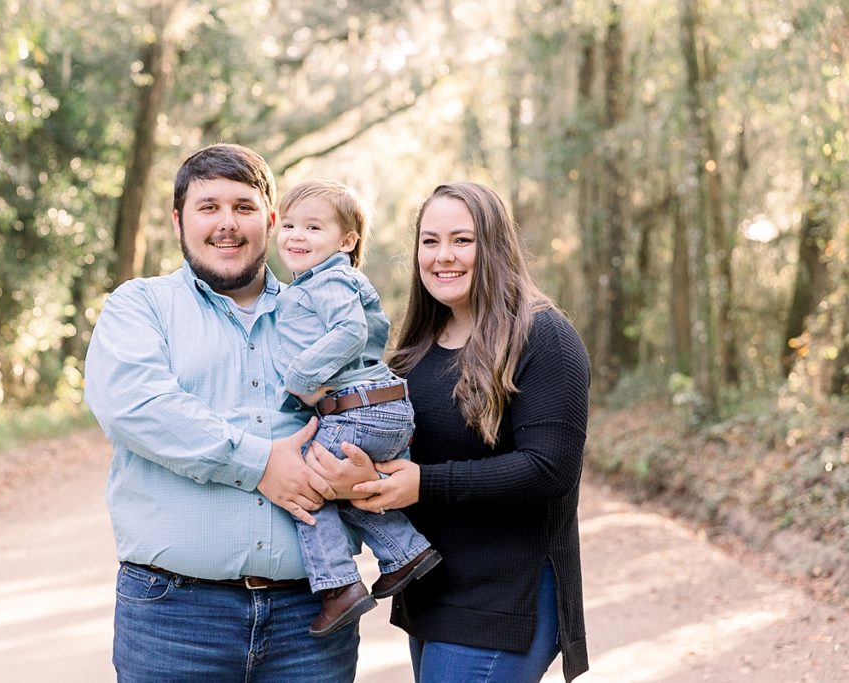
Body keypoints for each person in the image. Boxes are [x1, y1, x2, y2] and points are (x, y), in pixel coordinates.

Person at [83, 144, 360, 682]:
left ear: (272, 221)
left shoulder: (331, 312)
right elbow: (137, 406)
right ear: (178, 220)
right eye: (208, 206)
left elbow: (370, 399)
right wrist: (261, 464)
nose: (226, 224)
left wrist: (366, 469)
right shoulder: (140, 305)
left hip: (313, 617)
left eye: (244, 207)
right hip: (174, 617)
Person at [307, 182, 591, 682]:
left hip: (505, 600)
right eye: (430, 241)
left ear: (495, 246)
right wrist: (362, 477)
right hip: (436, 591)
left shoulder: (543, 336)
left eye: (462, 240)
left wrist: (423, 484)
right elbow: (404, 455)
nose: (443, 256)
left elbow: (550, 469)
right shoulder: (417, 346)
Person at [272, 179, 441, 638]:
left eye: (312, 226)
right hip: (378, 407)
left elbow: (348, 332)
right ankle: (405, 551)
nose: (296, 235)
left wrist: (299, 380)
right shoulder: (312, 284)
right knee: (342, 488)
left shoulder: (330, 280)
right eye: (288, 224)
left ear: (346, 242)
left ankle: (339, 586)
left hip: (359, 409)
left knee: (306, 482)